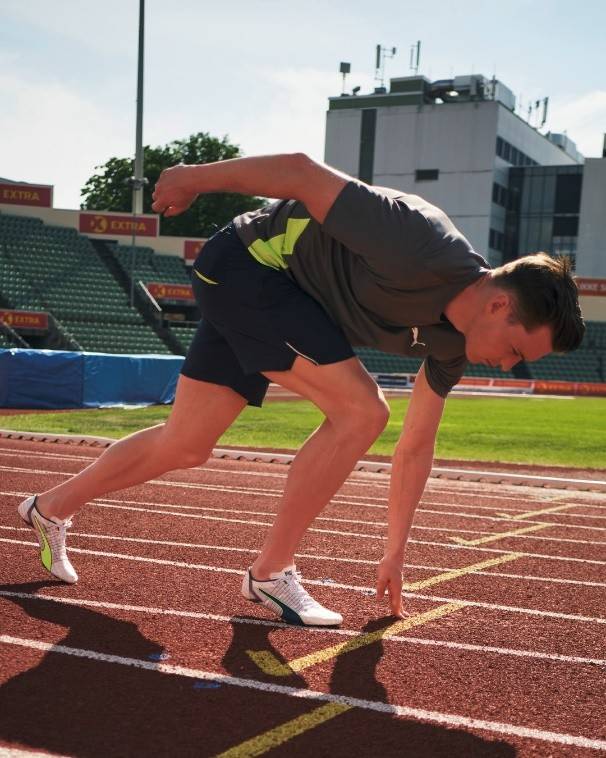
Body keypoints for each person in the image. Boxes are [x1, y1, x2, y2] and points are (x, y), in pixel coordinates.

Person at [18, 153, 585, 626]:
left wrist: (394, 551)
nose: (507, 363)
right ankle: (270, 573)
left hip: (279, 300)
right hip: (248, 265)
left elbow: (416, 447)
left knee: (185, 445)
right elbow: (300, 173)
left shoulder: (453, 344)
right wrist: (194, 176)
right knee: (362, 411)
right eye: (516, 349)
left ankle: (48, 508)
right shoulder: (419, 241)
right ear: (499, 303)